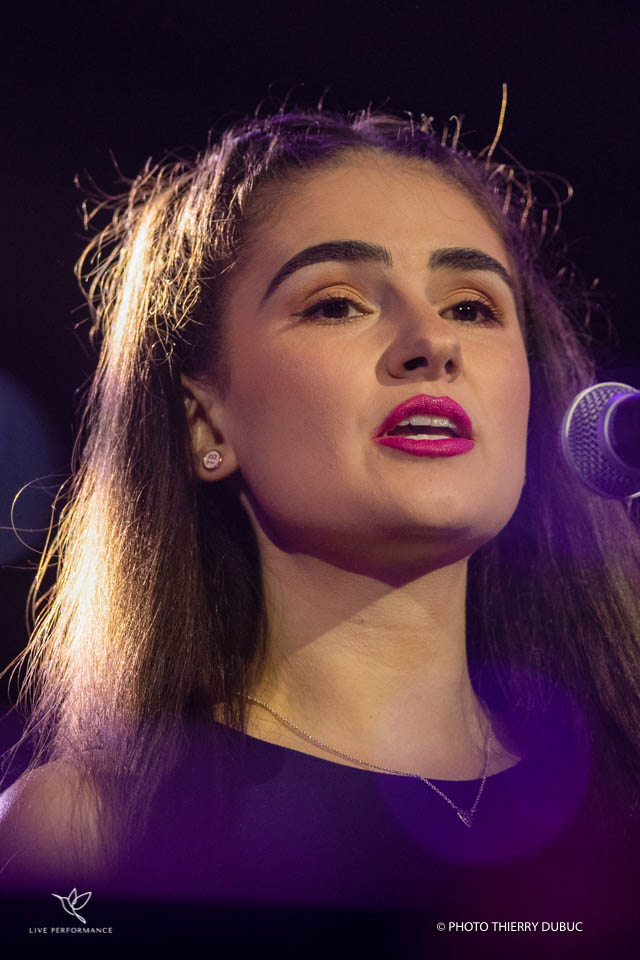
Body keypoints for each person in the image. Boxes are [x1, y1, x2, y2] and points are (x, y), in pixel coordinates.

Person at [1, 103, 639, 953]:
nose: (431, 344)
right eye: (338, 305)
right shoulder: (89, 832)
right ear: (205, 422)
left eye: (473, 307)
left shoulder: (622, 800)